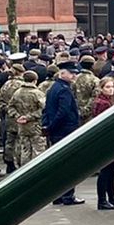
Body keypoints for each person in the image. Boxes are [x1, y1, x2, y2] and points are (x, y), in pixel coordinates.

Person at [42, 66, 83, 205]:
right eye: (71, 73)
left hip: (56, 131)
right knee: (69, 164)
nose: (74, 76)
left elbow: (47, 109)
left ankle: (58, 195)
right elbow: (63, 111)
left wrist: (47, 125)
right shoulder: (64, 90)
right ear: (62, 74)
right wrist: (53, 125)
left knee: (58, 164)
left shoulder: (53, 88)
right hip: (65, 130)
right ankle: (68, 195)